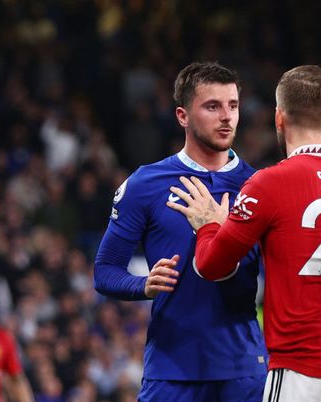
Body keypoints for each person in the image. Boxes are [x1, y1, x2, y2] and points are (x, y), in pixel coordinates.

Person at [167, 65, 321, 401]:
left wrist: (209, 224)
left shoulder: (269, 183)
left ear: (279, 118)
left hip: (299, 372)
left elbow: (211, 265)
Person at [93, 62, 267, 402]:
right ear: (182, 116)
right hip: (173, 369)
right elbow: (104, 271)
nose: (226, 117)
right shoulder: (145, 184)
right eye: (212, 106)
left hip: (244, 368)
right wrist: (142, 285)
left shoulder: (259, 185)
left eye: (233, 105)